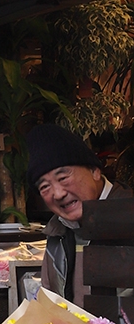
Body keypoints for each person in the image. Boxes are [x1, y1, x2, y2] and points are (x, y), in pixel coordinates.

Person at [26, 123, 131, 302]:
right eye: (45, 186)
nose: (58, 193)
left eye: (63, 177)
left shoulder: (128, 216)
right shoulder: (56, 234)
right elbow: (50, 302)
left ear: (94, 171)